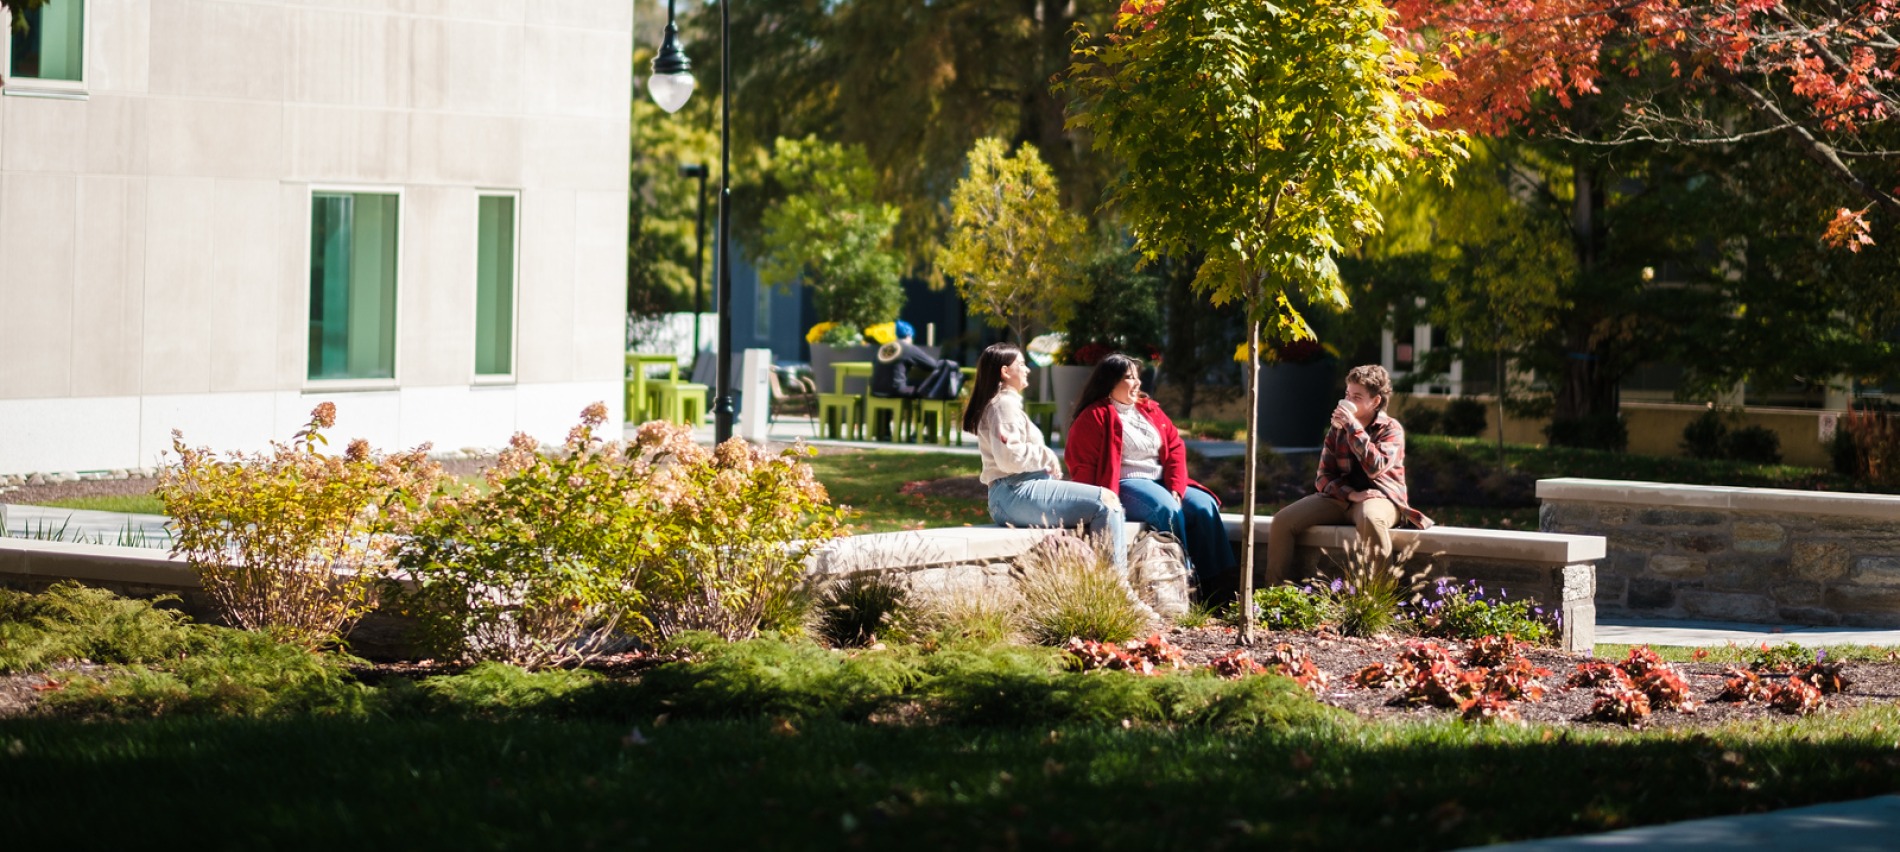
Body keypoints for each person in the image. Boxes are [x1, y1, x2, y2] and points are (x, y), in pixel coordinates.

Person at [1065, 353, 1235, 589]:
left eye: (1137, 377)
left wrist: (1176, 486)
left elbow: (1175, 446)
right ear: (1110, 382)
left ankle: (1218, 585)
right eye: (1129, 378)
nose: (1137, 383)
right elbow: (1081, 463)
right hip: (1124, 484)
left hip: (1162, 481)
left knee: (1203, 505)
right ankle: (1182, 583)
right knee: (1166, 508)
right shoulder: (1093, 417)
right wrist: (1092, 504)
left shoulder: (1149, 409)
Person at [962, 343, 1126, 567]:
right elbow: (1009, 458)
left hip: (1012, 494)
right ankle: (1118, 587)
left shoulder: (1005, 404)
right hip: (1015, 492)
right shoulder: (1003, 406)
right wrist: (1046, 455)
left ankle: (1108, 581)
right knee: (1106, 502)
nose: (1027, 369)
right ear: (1005, 371)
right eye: (1021, 364)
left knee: (1106, 500)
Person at [1265, 364, 1433, 584]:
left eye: (1357, 396)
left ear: (1375, 401)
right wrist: (1351, 495)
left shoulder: (1391, 429)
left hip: (1380, 497)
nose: (1349, 400)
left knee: (1370, 519)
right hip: (1342, 498)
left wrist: (1353, 427)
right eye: (1347, 394)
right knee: (1282, 521)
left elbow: (1376, 466)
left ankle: (1380, 602)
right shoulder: (1337, 429)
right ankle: (1272, 596)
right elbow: (1323, 477)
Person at [872, 321, 961, 401]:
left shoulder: (884, 347)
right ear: (909, 335)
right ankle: (920, 418)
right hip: (895, 390)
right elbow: (932, 365)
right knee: (922, 391)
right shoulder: (908, 347)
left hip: (875, 390)